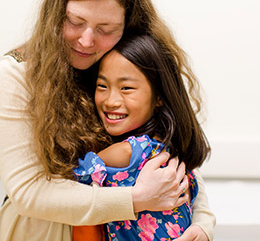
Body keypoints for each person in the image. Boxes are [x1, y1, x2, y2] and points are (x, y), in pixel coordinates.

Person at [0, 0, 216, 241]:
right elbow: (28, 192)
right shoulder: (17, 74)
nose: (85, 40)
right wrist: (135, 199)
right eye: (75, 21)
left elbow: (172, 153)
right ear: (56, 12)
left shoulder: (129, 64)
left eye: (105, 28)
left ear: (127, 26)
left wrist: (202, 224)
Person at [73, 34, 210, 240]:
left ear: (158, 97)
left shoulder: (129, 151)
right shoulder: (168, 147)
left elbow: (77, 174)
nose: (111, 101)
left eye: (126, 88)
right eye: (102, 86)